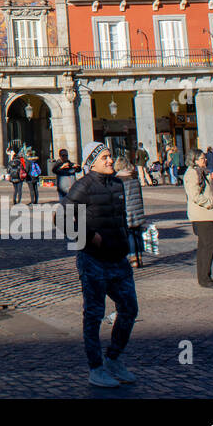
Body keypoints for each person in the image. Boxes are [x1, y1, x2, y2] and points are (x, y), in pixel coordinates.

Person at [64, 142, 138, 387]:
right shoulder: (83, 186)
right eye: (105, 157)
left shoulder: (117, 184)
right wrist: (87, 236)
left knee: (129, 309)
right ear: (91, 162)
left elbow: (121, 218)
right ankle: (95, 368)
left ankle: (113, 359)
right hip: (94, 260)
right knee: (94, 315)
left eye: (110, 156)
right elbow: (61, 216)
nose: (110, 161)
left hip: (118, 258)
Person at [184, 149, 213, 288]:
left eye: (205, 158)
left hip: (206, 214)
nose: (204, 160)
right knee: (208, 245)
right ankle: (205, 278)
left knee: (205, 246)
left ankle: (204, 276)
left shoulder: (201, 172)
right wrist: (210, 202)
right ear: (193, 160)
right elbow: (194, 195)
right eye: (201, 158)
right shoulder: (193, 173)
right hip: (202, 214)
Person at [115, 156, 146, 267]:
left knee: (130, 235)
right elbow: (140, 196)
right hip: (137, 209)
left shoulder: (118, 180)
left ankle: (133, 257)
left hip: (127, 211)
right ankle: (140, 256)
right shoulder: (134, 178)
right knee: (137, 234)